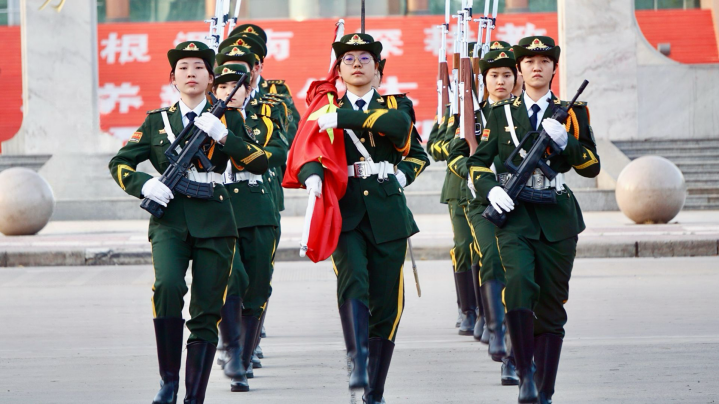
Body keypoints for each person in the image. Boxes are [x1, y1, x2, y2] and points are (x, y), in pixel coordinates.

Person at [108, 41, 269, 404]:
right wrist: (144, 184)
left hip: (215, 218)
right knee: (167, 287)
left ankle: (194, 395)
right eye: (183, 68)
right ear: (173, 79)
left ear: (211, 79)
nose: (191, 73)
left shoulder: (229, 118)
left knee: (207, 307)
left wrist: (223, 135)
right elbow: (120, 162)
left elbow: (259, 162)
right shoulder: (157, 121)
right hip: (170, 219)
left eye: (199, 67)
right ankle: (168, 383)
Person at [466, 35, 600, 403]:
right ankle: (524, 373)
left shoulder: (574, 113)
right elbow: (477, 162)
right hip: (515, 216)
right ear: (520, 70)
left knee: (552, 306)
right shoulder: (500, 113)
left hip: (557, 216)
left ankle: (545, 390)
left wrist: (567, 142)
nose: (536, 67)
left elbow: (592, 166)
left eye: (544, 62)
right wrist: (491, 188)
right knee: (519, 285)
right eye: (529, 62)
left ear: (554, 69)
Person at [297, 33, 429, 404]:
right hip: (344, 210)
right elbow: (307, 148)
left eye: (365, 58)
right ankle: (357, 359)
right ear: (338, 71)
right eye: (348, 59)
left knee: (387, 304)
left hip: (387, 210)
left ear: (378, 70)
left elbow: (404, 136)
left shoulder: (396, 104)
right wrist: (311, 174)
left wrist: (402, 176)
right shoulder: (324, 106)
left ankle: (375, 389)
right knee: (353, 279)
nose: (356, 64)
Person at [447, 48, 520, 385]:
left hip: (522, 201)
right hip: (481, 202)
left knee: (520, 273)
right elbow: (454, 155)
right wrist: (476, 173)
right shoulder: (472, 116)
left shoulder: (524, 112)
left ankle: (515, 345)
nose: (500, 81)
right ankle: (497, 329)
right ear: (484, 80)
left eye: (506, 75)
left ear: (516, 78)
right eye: (494, 75)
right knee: (490, 257)